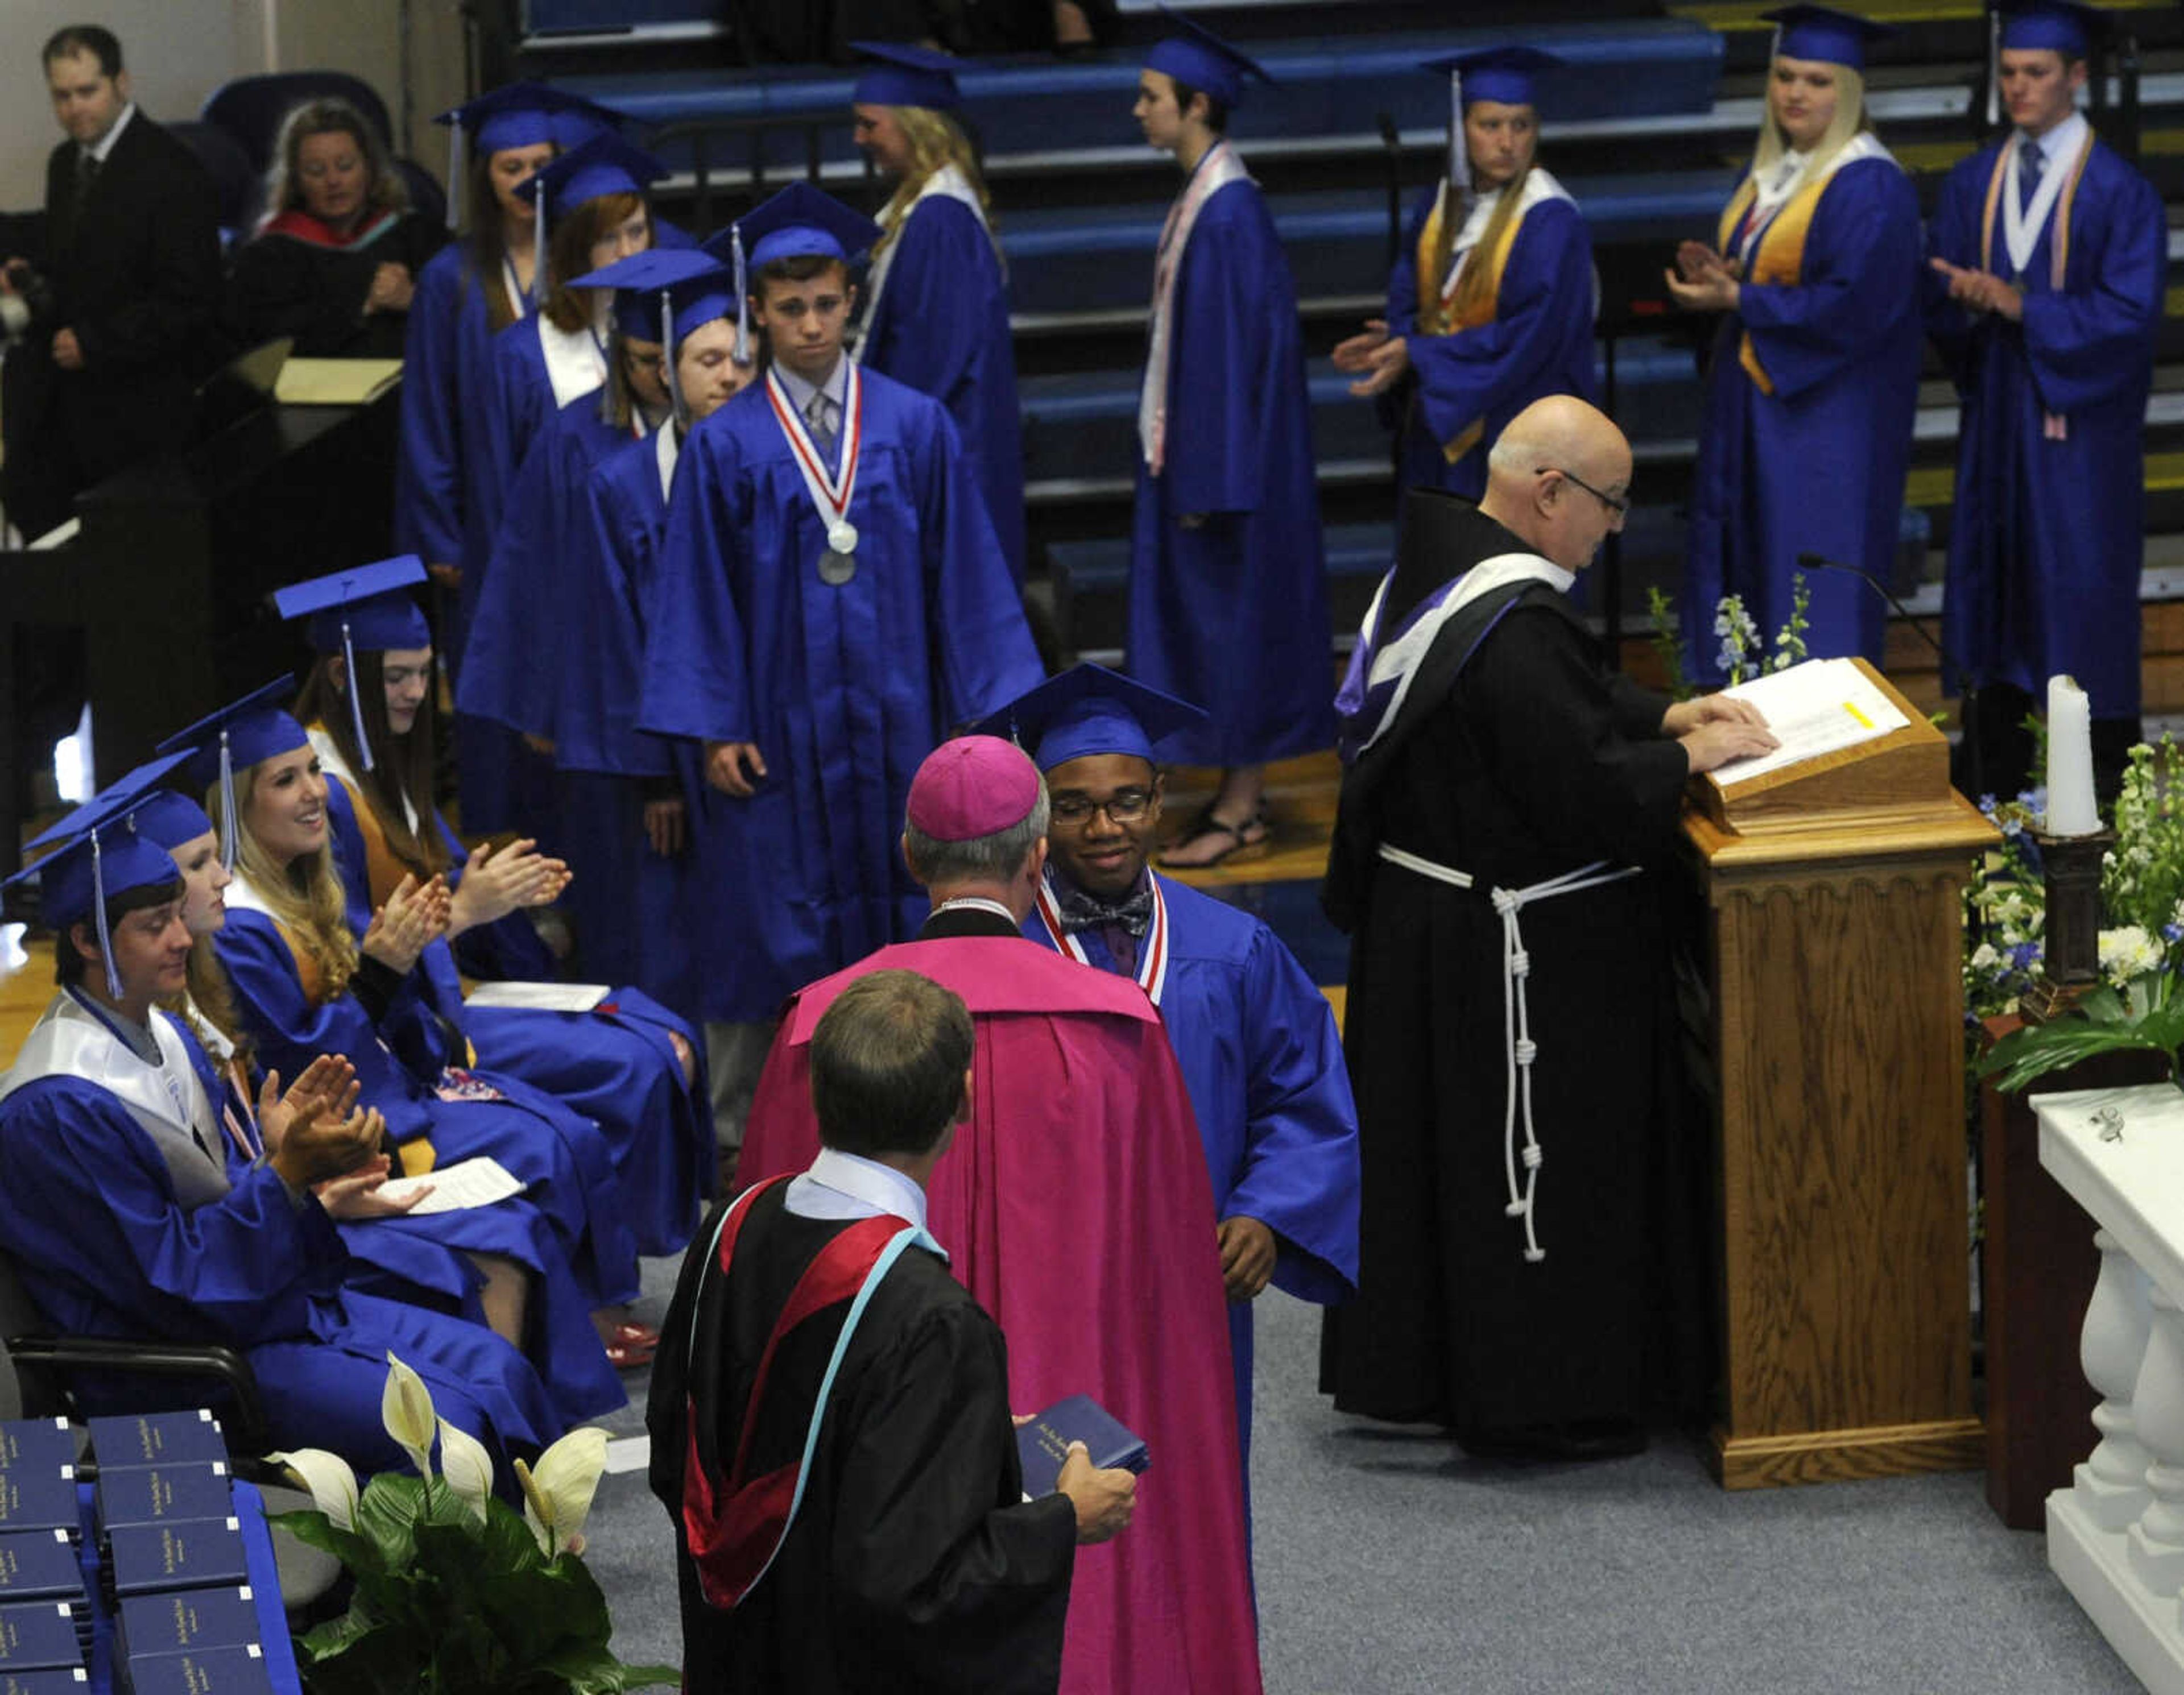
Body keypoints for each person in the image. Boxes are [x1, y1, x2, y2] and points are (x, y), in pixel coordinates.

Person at [735, 736, 1262, 1694]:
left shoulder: (821, 1023)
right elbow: (1172, 1292)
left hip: (876, 1437)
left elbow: (772, 1266)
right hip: (1074, 1419)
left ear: (910, 857)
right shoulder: (1119, 1028)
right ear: (1036, 858)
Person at [1318, 396, 1778, 1458]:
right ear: (1549, 492)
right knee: (1522, 1174)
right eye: (1608, 504)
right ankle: (1537, 1397)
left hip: (1428, 926)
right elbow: (1578, 788)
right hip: (1501, 955)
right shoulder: (1510, 617)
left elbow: (1555, 706)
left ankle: (1440, 1367)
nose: (1614, 528)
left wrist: (1660, 716)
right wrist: (1683, 763)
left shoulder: (1437, 566)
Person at [0, 776, 569, 1476]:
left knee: (495, 1367)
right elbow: (167, 1286)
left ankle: (522, 1571)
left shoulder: (163, 1036)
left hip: (254, 1309)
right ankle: (469, 1584)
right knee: (454, 1427)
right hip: (182, 1370)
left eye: (178, 914)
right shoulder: (58, 1105)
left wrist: (291, 1167)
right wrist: (286, 1176)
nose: (183, 938)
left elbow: (224, 1198)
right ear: (86, 939)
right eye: (153, 926)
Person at [636, 181, 1042, 1152]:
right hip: (776, 740)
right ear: (758, 315)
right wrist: (718, 721)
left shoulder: (914, 425)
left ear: (850, 301)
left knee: (907, 915)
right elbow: (699, 589)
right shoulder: (725, 445)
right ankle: (763, 1151)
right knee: (770, 933)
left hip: (902, 734)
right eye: (789, 309)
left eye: (826, 304)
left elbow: (968, 578)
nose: (811, 326)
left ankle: (924, 1126)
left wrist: (977, 720)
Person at [650, 969, 1136, 1692]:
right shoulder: (935, 1320)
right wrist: (1065, 1520)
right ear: (964, 1100)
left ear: (818, 1094)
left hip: (737, 1647)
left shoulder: (731, 1224)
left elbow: (681, 1437)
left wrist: (968, 1434)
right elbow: (914, 1585)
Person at [159, 679, 649, 1378]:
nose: (315, 793)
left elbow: (380, 1012)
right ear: (238, 808)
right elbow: (304, 1058)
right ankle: (563, 1341)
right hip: (343, 1128)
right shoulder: (238, 927)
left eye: (313, 772)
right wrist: (386, 970)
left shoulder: (310, 881)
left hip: (389, 1088)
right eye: (285, 779)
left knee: (566, 1125)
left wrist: (405, 970)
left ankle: (577, 1326)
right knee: (544, 1146)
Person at [977, 664, 1360, 1478]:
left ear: (1159, 800)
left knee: (1194, 1488)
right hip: (1041, 1290)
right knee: (1048, 1495)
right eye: (1073, 806)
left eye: (1126, 800)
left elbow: (1300, 1095)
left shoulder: (1233, 949)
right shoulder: (997, 960)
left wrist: (1267, 1214)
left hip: (1193, 1291)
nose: (1104, 826)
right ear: (1038, 816)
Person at [278, 559, 712, 1269]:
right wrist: (471, 909)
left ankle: (640, 1254)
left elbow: (442, 878)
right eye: (395, 676)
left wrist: (498, 887)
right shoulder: (328, 794)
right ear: (338, 675)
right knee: (639, 1061)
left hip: (446, 1003)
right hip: (411, 1036)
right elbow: (366, 952)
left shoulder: (386, 768)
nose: (417, 692)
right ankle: (623, 1267)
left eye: (423, 672)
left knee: (661, 1029)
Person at [1927, 0, 2163, 798]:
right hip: (1998, 421)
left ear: (2078, 76)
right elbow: (1945, 308)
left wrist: (2026, 306)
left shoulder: (2120, 192)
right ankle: (1991, 785)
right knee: (1994, 595)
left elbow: (2132, 320)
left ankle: (2092, 795)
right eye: (2009, 73)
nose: (2019, 89)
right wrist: (1959, 300)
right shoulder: (1972, 181)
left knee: (2078, 593)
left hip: (2079, 436)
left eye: (2036, 74)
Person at [1129, 15, 1332, 868]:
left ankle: (1243, 806)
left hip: (1224, 475)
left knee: (1236, 633)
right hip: (1210, 462)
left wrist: (1204, 488)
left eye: (1150, 98)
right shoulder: (1208, 199)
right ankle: (1231, 796)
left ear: (1197, 104)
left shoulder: (1227, 214)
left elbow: (1227, 364)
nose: (1137, 111)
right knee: (1223, 635)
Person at [1669, 5, 1922, 681]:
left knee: (1808, 590)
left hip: (1825, 426)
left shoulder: (1870, 183)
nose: (1795, 93)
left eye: (1816, 80)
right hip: (1762, 411)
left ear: (1849, 91)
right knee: (1752, 583)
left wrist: (1741, 298)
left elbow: (1856, 304)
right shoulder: (1774, 176)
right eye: (1784, 76)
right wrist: (1727, 278)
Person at [464, 130, 664, 838]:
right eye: (606, 239)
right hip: (570, 624)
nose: (627, 253)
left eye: (637, 230)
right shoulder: (521, 356)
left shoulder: (685, 342)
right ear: (574, 248)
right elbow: (505, 525)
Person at [1333, 47, 1598, 507]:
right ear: (1461, 130)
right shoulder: (1441, 204)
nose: (1507, 142)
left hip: (1515, 433)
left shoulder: (1551, 220)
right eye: (1490, 125)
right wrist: (1399, 339)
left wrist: (1421, 352)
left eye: (1521, 125)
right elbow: (1410, 293)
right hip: (1444, 426)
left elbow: (1529, 340)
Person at [0, 24, 223, 540]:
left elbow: (195, 300)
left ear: (121, 83)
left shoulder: (172, 171)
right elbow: (74, 260)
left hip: (138, 408)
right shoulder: (65, 163)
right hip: (68, 403)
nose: (76, 108)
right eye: (62, 95)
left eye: (87, 91)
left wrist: (98, 343)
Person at [846, 42, 1027, 586]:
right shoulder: (932, 207)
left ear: (914, 125)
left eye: (869, 124)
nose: (860, 139)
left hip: (945, 462)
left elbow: (934, 362)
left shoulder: (939, 221)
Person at [228, 97, 446, 359]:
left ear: (369, 168)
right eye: (316, 170)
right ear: (296, 180)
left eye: (345, 166)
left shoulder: (418, 235)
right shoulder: (269, 256)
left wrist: (413, 299)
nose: (333, 181)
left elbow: (472, 315)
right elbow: (260, 342)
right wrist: (363, 305)